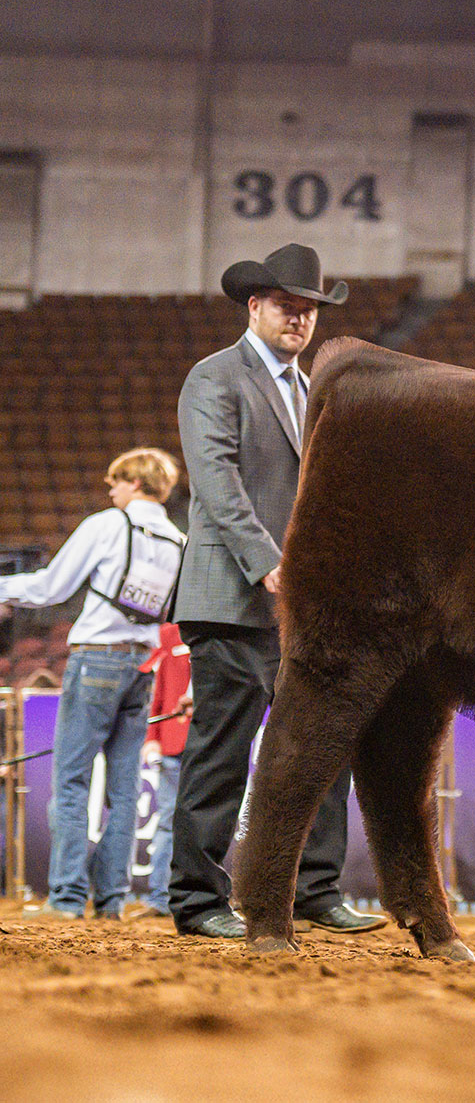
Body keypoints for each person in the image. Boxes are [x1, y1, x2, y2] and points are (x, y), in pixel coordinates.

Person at [171, 243, 384, 939]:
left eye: (310, 308)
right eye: (287, 304)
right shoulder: (214, 377)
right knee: (222, 750)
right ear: (254, 305)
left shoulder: (310, 390)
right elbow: (218, 482)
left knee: (322, 745)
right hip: (233, 599)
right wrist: (270, 563)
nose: (300, 317)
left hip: (300, 606)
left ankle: (317, 887)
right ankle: (198, 899)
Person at [0, 448, 185, 919]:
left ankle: (65, 897)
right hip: (142, 665)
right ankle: (111, 900)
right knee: (124, 790)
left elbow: (50, 589)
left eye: (117, 482)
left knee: (72, 780)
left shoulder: (108, 524)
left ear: (134, 483)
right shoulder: (177, 540)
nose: (111, 490)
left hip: (97, 659)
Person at [137, 622, 192, 918]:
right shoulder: (169, 634)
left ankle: (209, 898)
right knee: (168, 822)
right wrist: (152, 739)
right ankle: (161, 898)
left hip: (207, 745)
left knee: (205, 822)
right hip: (172, 743)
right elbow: (158, 689)